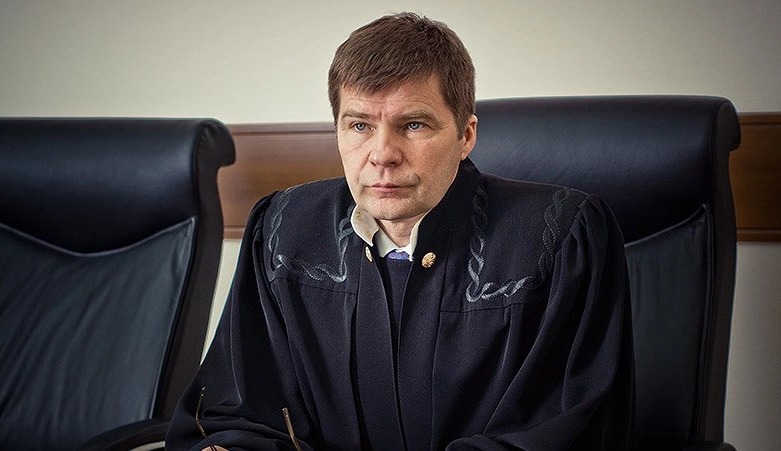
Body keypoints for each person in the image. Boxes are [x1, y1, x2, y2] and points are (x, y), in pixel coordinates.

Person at [166, 12, 633, 450]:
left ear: (466, 135)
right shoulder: (283, 232)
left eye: (413, 124)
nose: (382, 154)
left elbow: (563, 431)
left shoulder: (560, 237)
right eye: (359, 125)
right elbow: (238, 412)